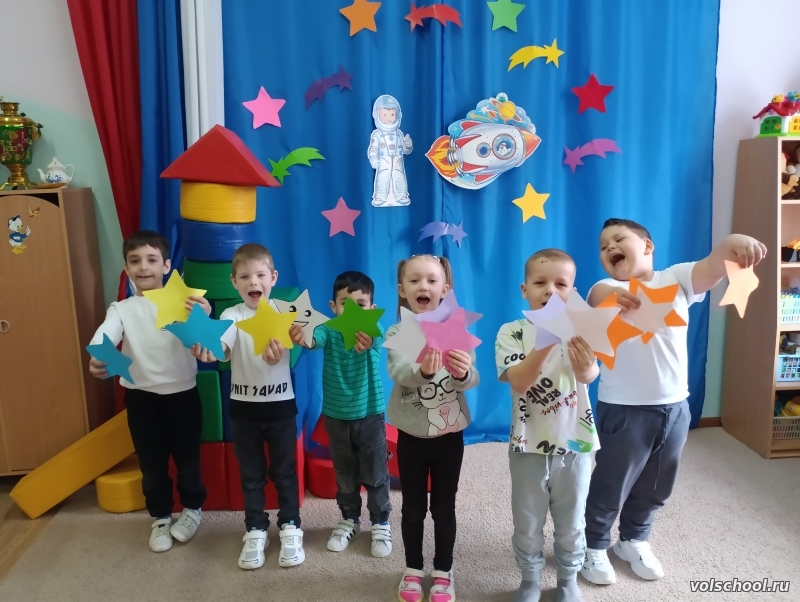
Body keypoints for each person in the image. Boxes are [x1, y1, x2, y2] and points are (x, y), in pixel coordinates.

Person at [580, 218, 766, 585]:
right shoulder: (605, 286)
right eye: (603, 246)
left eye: (618, 239)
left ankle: (633, 539)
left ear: (647, 246)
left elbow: (712, 266)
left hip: (675, 407)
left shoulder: (676, 278)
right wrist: (615, 299)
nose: (609, 247)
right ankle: (594, 545)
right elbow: (598, 298)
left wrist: (733, 242)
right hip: (624, 408)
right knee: (611, 481)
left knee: (657, 483)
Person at [88, 230, 208, 553]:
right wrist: (98, 357)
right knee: (152, 464)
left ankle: (192, 508)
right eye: (135, 261)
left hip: (182, 396)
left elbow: (203, 320)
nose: (144, 267)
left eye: (152, 260)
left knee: (188, 460)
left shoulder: (182, 302)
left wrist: (203, 309)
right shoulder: (122, 309)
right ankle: (160, 516)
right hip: (141, 399)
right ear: (126, 268)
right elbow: (105, 335)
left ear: (166, 266)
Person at [495, 249, 600, 602]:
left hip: (576, 443)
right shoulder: (512, 332)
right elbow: (519, 381)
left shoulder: (582, 330)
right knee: (527, 521)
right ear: (525, 289)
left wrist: (585, 365)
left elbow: (590, 375)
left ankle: (568, 578)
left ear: (572, 291)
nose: (550, 290)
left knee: (572, 521)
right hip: (527, 445)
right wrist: (546, 340)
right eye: (540, 282)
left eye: (561, 284)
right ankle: (530, 580)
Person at [194, 243, 304, 569]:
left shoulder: (285, 313)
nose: (253, 281)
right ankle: (256, 528)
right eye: (244, 276)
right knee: (251, 475)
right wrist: (208, 345)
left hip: (281, 408)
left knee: (285, 473)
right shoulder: (231, 315)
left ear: (273, 278)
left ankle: (290, 525)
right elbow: (222, 346)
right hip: (244, 412)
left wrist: (288, 347)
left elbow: (306, 340)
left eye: (260, 275)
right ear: (234, 282)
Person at [385, 254, 479, 602]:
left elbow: (473, 378)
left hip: (449, 437)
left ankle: (443, 571)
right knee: (412, 508)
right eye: (414, 280)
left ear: (445, 289)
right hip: (411, 436)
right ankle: (413, 568)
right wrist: (423, 371)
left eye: (431, 280)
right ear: (402, 290)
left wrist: (464, 372)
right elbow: (398, 372)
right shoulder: (399, 332)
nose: (422, 286)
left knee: (443, 507)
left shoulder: (457, 330)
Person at [290, 271, 392, 558]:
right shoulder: (329, 329)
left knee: (375, 472)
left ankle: (380, 521)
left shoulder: (373, 329)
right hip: (336, 417)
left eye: (361, 304)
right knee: (345, 473)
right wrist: (304, 338)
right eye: (345, 304)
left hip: (370, 415)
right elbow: (315, 339)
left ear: (371, 309)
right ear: (333, 307)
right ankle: (350, 518)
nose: (353, 311)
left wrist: (367, 340)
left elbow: (376, 338)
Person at [367, 94, 413, 207]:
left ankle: (401, 196)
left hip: (397, 161)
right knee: (382, 178)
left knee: (399, 178)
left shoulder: (399, 134)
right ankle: (380, 196)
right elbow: (373, 148)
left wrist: (408, 146)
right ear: (377, 115)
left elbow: (404, 150)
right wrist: (373, 158)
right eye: (385, 115)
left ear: (398, 115)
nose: (389, 118)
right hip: (383, 161)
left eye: (392, 114)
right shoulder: (377, 134)